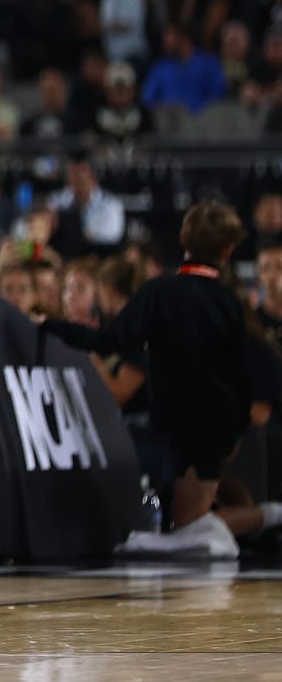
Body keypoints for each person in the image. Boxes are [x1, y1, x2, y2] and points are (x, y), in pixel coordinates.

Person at [105, 202, 271, 557]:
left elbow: (119, 391)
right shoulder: (222, 304)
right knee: (190, 523)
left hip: (187, 432)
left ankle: (260, 516)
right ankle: (262, 516)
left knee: (186, 521)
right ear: (228, 250)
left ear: (183, 237)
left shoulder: (177, 303)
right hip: (201, 431)